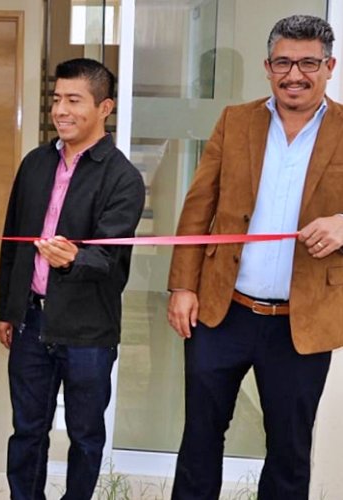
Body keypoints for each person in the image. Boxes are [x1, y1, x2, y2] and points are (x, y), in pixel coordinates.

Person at [167, 15, 343, 500]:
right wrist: (183, 286)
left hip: (300, 324)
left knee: (289, 452)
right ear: (268, 67)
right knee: (200, 438)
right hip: (223, 311)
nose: (295, 74)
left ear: (329, 66)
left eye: (308, 63)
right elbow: (199, 204)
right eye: (284, 62)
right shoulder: (236, 120)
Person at [0, 58, 145, 499]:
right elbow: (12, 241)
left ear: (105, 107)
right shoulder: (35, 163)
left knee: (84, 436)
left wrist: (73, 258)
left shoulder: (123, 178)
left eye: (74, 100)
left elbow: (110, 260)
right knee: (27, 431)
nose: (61, 110)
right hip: (31, 321)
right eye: (56, 99)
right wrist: (8, 307)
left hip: (88, 331)